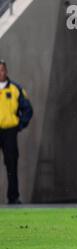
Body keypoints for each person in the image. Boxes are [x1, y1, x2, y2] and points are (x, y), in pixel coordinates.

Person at [0, 60, 33, 205]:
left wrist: (20, 125)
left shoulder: (15, 89)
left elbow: (27, 109)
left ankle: (13, 197)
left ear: (6, 71)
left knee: (11, 164)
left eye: (1, 70)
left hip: (9, 132)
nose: (0, 73)